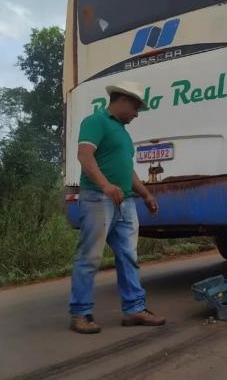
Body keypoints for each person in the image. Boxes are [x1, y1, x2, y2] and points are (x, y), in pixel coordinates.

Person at [69, 81, 165, 334]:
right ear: (122, 100)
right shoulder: (95, 121)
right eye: (135, 107)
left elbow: (127, 168)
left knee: (128, 256)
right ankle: (80, 314)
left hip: (125, 202)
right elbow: (84, 156)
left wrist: (145, 194)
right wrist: (105, 185)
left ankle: (134, 309)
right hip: (98, 199)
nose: (136, 114)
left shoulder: (122, 131)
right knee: (90, 257)